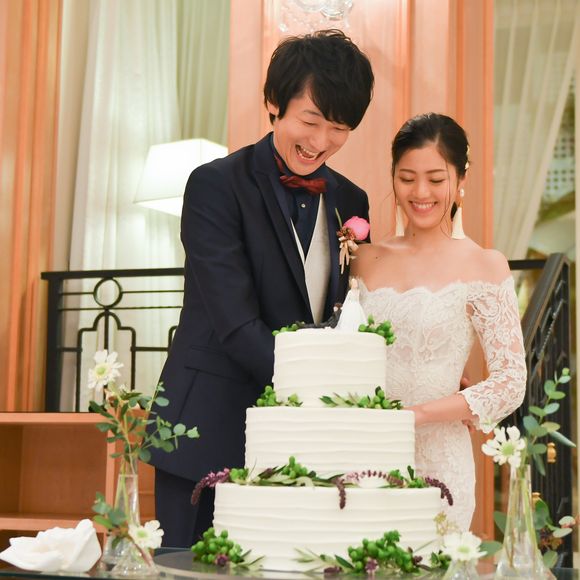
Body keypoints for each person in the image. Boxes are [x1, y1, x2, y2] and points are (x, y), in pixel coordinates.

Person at [150, 29, 375, 547]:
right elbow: (234, 322)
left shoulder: (352, 200)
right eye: (310, 121)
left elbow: (348, 313)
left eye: (339, 128)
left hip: (303, 444)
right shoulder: (215, 184)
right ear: (274, 102)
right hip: (208, 427)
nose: (320, 142)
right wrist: (315, 393)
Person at [351, 112, 527, 530]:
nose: (421, 192)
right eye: (407, 178)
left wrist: (420, 414)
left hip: (440, 464)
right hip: (361, 457)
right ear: (393, 178)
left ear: (460, 179)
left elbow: (511, 381)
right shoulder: (364, 259)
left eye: (435, 178)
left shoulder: (485, 264)